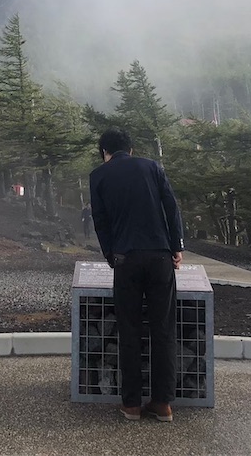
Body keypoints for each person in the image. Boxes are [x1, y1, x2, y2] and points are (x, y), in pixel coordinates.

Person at [89, 127, 184, 423]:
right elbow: (171, 206)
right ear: (130, 149)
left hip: (125, 259)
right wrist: (176, 246)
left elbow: (101, 221)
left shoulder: (99, 176)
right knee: (163, 329)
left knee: (129, 330)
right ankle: (163, 404)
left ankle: (131, 405)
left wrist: (110, 255)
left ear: (105, 152)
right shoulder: (152, 167)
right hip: (159, 257)